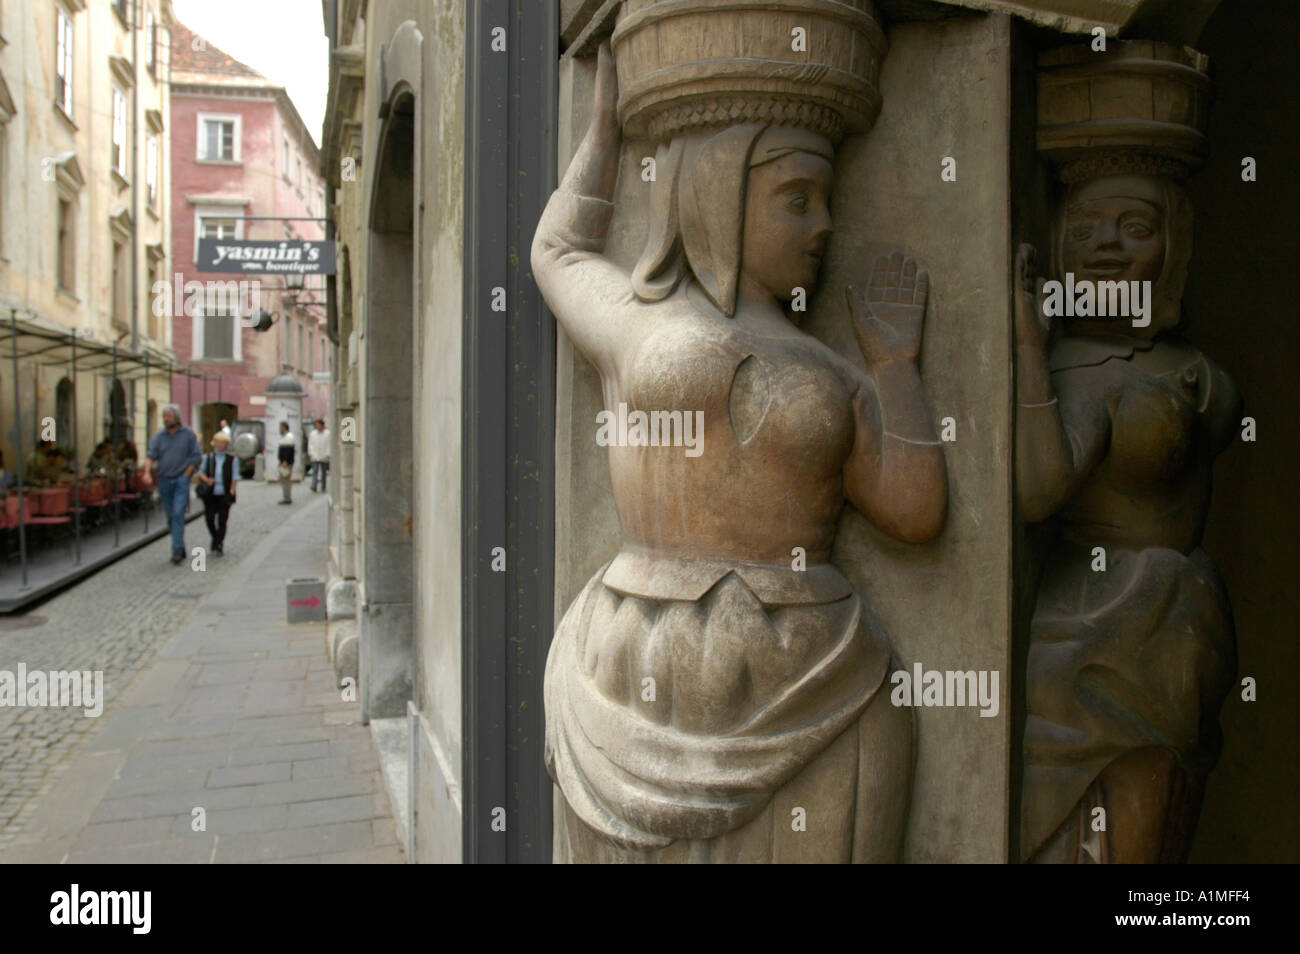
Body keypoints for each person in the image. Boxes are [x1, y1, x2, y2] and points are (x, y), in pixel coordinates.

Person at [534, 46, 946, 861]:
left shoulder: (835, 371)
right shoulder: (632, 321)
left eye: (826, 200)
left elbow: (914, 510)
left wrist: (896, 372)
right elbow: (557, 251)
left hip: (816, 675)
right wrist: (604, 137)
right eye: (797, 199)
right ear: (715, 195)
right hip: (635, 658)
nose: (824, 224)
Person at [145, 404, 201, 565]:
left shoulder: (188, 434)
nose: (166, 419)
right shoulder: (160, 437)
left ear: (177, 418)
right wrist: (147, 472)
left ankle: (176, 550)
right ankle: (180, 545)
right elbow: (151, 455)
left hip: (181, 481)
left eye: (169, 416)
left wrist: (186, 474)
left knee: (177, 513)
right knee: (171, 517)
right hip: (164, 480)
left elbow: (196, 456)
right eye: (164, 416)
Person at [196, 431, 238, 555]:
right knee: (209, 518)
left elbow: (235, 477)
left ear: (226, 445)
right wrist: (207, 480)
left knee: (222, 520)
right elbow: (201, 473)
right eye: (218, 443)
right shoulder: (209, 457)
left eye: (222, 443)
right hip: (210, 494)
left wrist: (232, 491)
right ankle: (215, 537)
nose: (220, 445)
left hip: (225, 494)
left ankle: (219, 543)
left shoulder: (232, 459)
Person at [307, 418, 330, 493]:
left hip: (324, 456)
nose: (317, 426)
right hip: (315, 455)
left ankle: (323, 486)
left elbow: (329, 445)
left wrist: (328, 454)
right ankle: (314, 485)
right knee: (315, 471)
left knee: (324, 472)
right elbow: (310, 444)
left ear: (322, 425)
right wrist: (311, 453)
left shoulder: (327, 434)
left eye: (318, 425)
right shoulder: (313, 434)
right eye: (316, 425)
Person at [277, 421, 296, 504]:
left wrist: (285, 461)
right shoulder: (285, 436)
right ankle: (286, 497)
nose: (280, 429)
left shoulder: (288, 437)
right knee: (284, 480)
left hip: (286, 462)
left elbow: (288, 451)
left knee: (286, 480)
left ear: (284, 427)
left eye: (281, 427)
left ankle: (287, 498)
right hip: (283, 462)